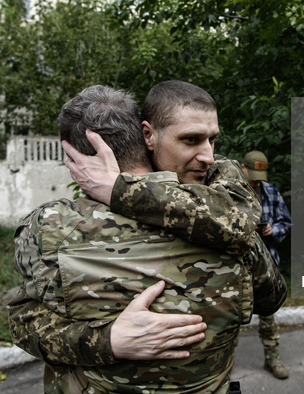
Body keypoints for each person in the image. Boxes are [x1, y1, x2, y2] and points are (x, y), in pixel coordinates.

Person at [8, 84, 286, 393]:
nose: (208, 156)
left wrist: (106, 342)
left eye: (211, 140)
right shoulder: (224, 224)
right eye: (191, 139)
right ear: (146, 136)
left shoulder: (51, 231)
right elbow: (271, 298)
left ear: (75, 159)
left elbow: (20, 321)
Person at [240, 150, 292, 379]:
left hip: (266, 265)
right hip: (238, 265)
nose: (255, 178)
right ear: (242, 168)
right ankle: (222, 363)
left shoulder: (271, 192)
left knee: (268, 316)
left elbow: (286, 223)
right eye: (252, 172)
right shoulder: (233, 191)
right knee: (229, 316)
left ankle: (272, 358)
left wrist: (273, 229)